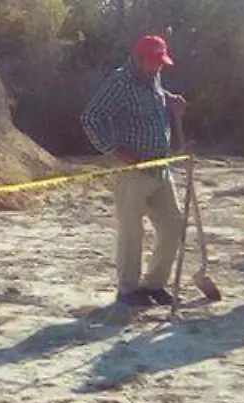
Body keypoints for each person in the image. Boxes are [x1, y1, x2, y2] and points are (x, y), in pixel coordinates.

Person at [80, 34, 189, 307]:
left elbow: (153, 98)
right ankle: (128, 290)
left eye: (161, 62)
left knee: (173, 224)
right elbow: (91, 117)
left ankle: (154, 284)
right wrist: (114, 151)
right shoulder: (120, 82)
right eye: (154, 62)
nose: (158, 67)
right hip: (132, 169)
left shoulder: (153, 77)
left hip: (160, 166)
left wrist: (169, 100)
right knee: (132, 231)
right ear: (138, 59)